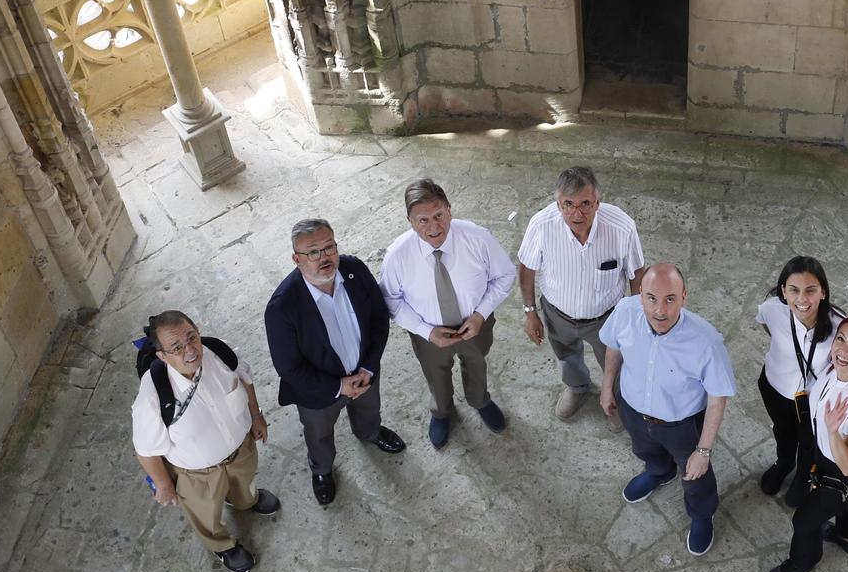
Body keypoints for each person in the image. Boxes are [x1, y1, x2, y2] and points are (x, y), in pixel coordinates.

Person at [264, 219, 408, 507]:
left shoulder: (353, 269)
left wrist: (368, 367)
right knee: (318, 434)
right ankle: (322, 469)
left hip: (364, 373)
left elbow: (379, 317)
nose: (324, 257)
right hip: (318, 393)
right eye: (313, 252)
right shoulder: (281, 307)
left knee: (369, 410)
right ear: (297, 259)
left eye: (329, 247)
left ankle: (369, 433)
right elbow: (289, 368)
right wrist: (338, 386)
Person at [599, 263, 737, 557]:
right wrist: (607, 386)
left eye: (670, 299)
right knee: (645, 449)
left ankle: (701, 514)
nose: (659, 310)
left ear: (684, 296)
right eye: (651, 298)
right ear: (640, 296)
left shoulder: (706, 341)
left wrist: (704, 451)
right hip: (633, 410)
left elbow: (717, 398)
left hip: (680, 424)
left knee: (696, 476)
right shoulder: (625, 311)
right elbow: (614, 347)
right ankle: (659, 472)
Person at [131, 311, 279, 572]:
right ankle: (222, 545)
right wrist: (164, 485)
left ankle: (244, 500)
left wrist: (257, 416)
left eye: (192, 337)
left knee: (244, 483)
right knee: (205, 514)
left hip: (241, 450)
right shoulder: (152, 395)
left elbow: (245, 378)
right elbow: (145, 451)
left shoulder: (217, 352)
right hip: (197, 475)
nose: (189, 350)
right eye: (176, 347)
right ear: (162, 356)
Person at [378, 178, 515, 450]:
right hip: (427, 332)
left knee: (476, 363)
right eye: (423, 220)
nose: (434, 226)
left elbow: (505, 275)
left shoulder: (478, 238)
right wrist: (425, 331)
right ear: (410, 221)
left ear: (450, 210)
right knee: (435, 373)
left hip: (476, 324)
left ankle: (480, 400)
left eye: (439, 215)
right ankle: (441, 411)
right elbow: (390, 299)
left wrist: (480, 315)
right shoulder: (397, 256)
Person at [762, 312, 848, 572]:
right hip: (830, 461)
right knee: (847, 502)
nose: (843, 350)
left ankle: (801, 562)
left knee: (804, 522)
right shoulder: (835, 368)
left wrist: (831, 432)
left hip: (843, 472)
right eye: (841, 339)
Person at [517, 165, 646, 420]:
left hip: (606, 317)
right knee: (566, 355)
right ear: (557, 205)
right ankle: (577, 387)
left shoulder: (621, 228)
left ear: (597, 203)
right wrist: (530, 312)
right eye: (568, 204)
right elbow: (526, 268)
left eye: (585, 203)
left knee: (616, 362)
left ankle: (616, 397)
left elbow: (637, 273)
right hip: (557, 314)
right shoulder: (541, 226)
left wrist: (635, 318)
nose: (577, 213)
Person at [753, 257, 840, 501]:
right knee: (782, 431)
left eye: (810, 290)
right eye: (794, 290)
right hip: (775, 387)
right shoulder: (771, 308)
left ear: (823, 292)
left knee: (809, 441)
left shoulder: (838, 326)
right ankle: (784, 462)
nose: (802, 299)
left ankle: (804, 474)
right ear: (783, 291)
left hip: (812, 401)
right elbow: (767, 326)